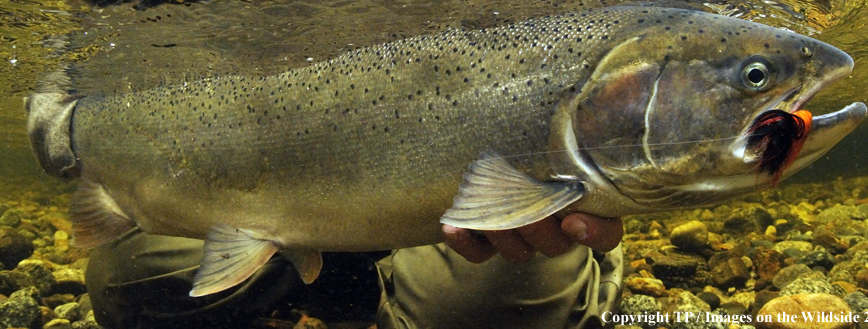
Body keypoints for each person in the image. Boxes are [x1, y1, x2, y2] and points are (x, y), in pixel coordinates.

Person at [85, 214, 624, 329]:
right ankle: (341, 279)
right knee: (121, 281)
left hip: (465, 210)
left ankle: (591, 263)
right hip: (293, 188)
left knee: (470, 318)